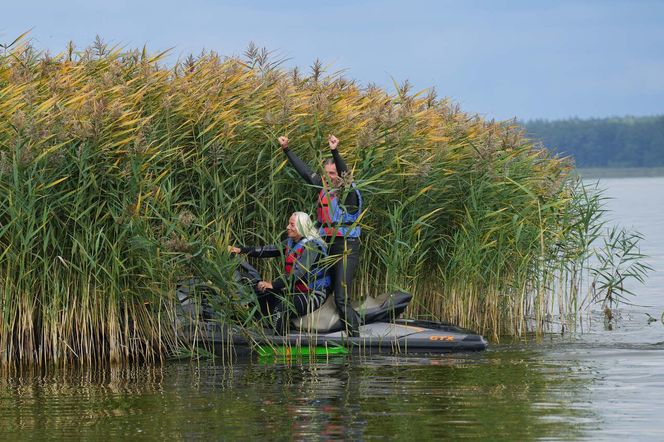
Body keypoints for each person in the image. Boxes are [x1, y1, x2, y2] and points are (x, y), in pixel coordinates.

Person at [278, 134, 362, 337]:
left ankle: (355, 338)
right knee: (319, 289)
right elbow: (305, 172)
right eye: (327, 174)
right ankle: (315, 326)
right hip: (327, 244)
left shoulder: (349, 194)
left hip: (345, 247)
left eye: (333, 174)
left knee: (341, 297)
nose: (330, 177)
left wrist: (335, 150)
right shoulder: (323, 188)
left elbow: (345, 174)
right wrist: (287, 149)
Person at [228, 212, 330, 335]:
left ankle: (279, 342)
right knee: (258, 296)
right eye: (289, 224)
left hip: (313, 294)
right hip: (293, 291)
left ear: (302, 227)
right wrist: (240, 250)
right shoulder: (292, 242)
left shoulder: (313, 246)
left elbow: (297, 275)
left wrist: (273, 285)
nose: (287, 227)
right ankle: (255, 333)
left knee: (281, 307)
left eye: (292, 225)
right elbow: (268, 250)